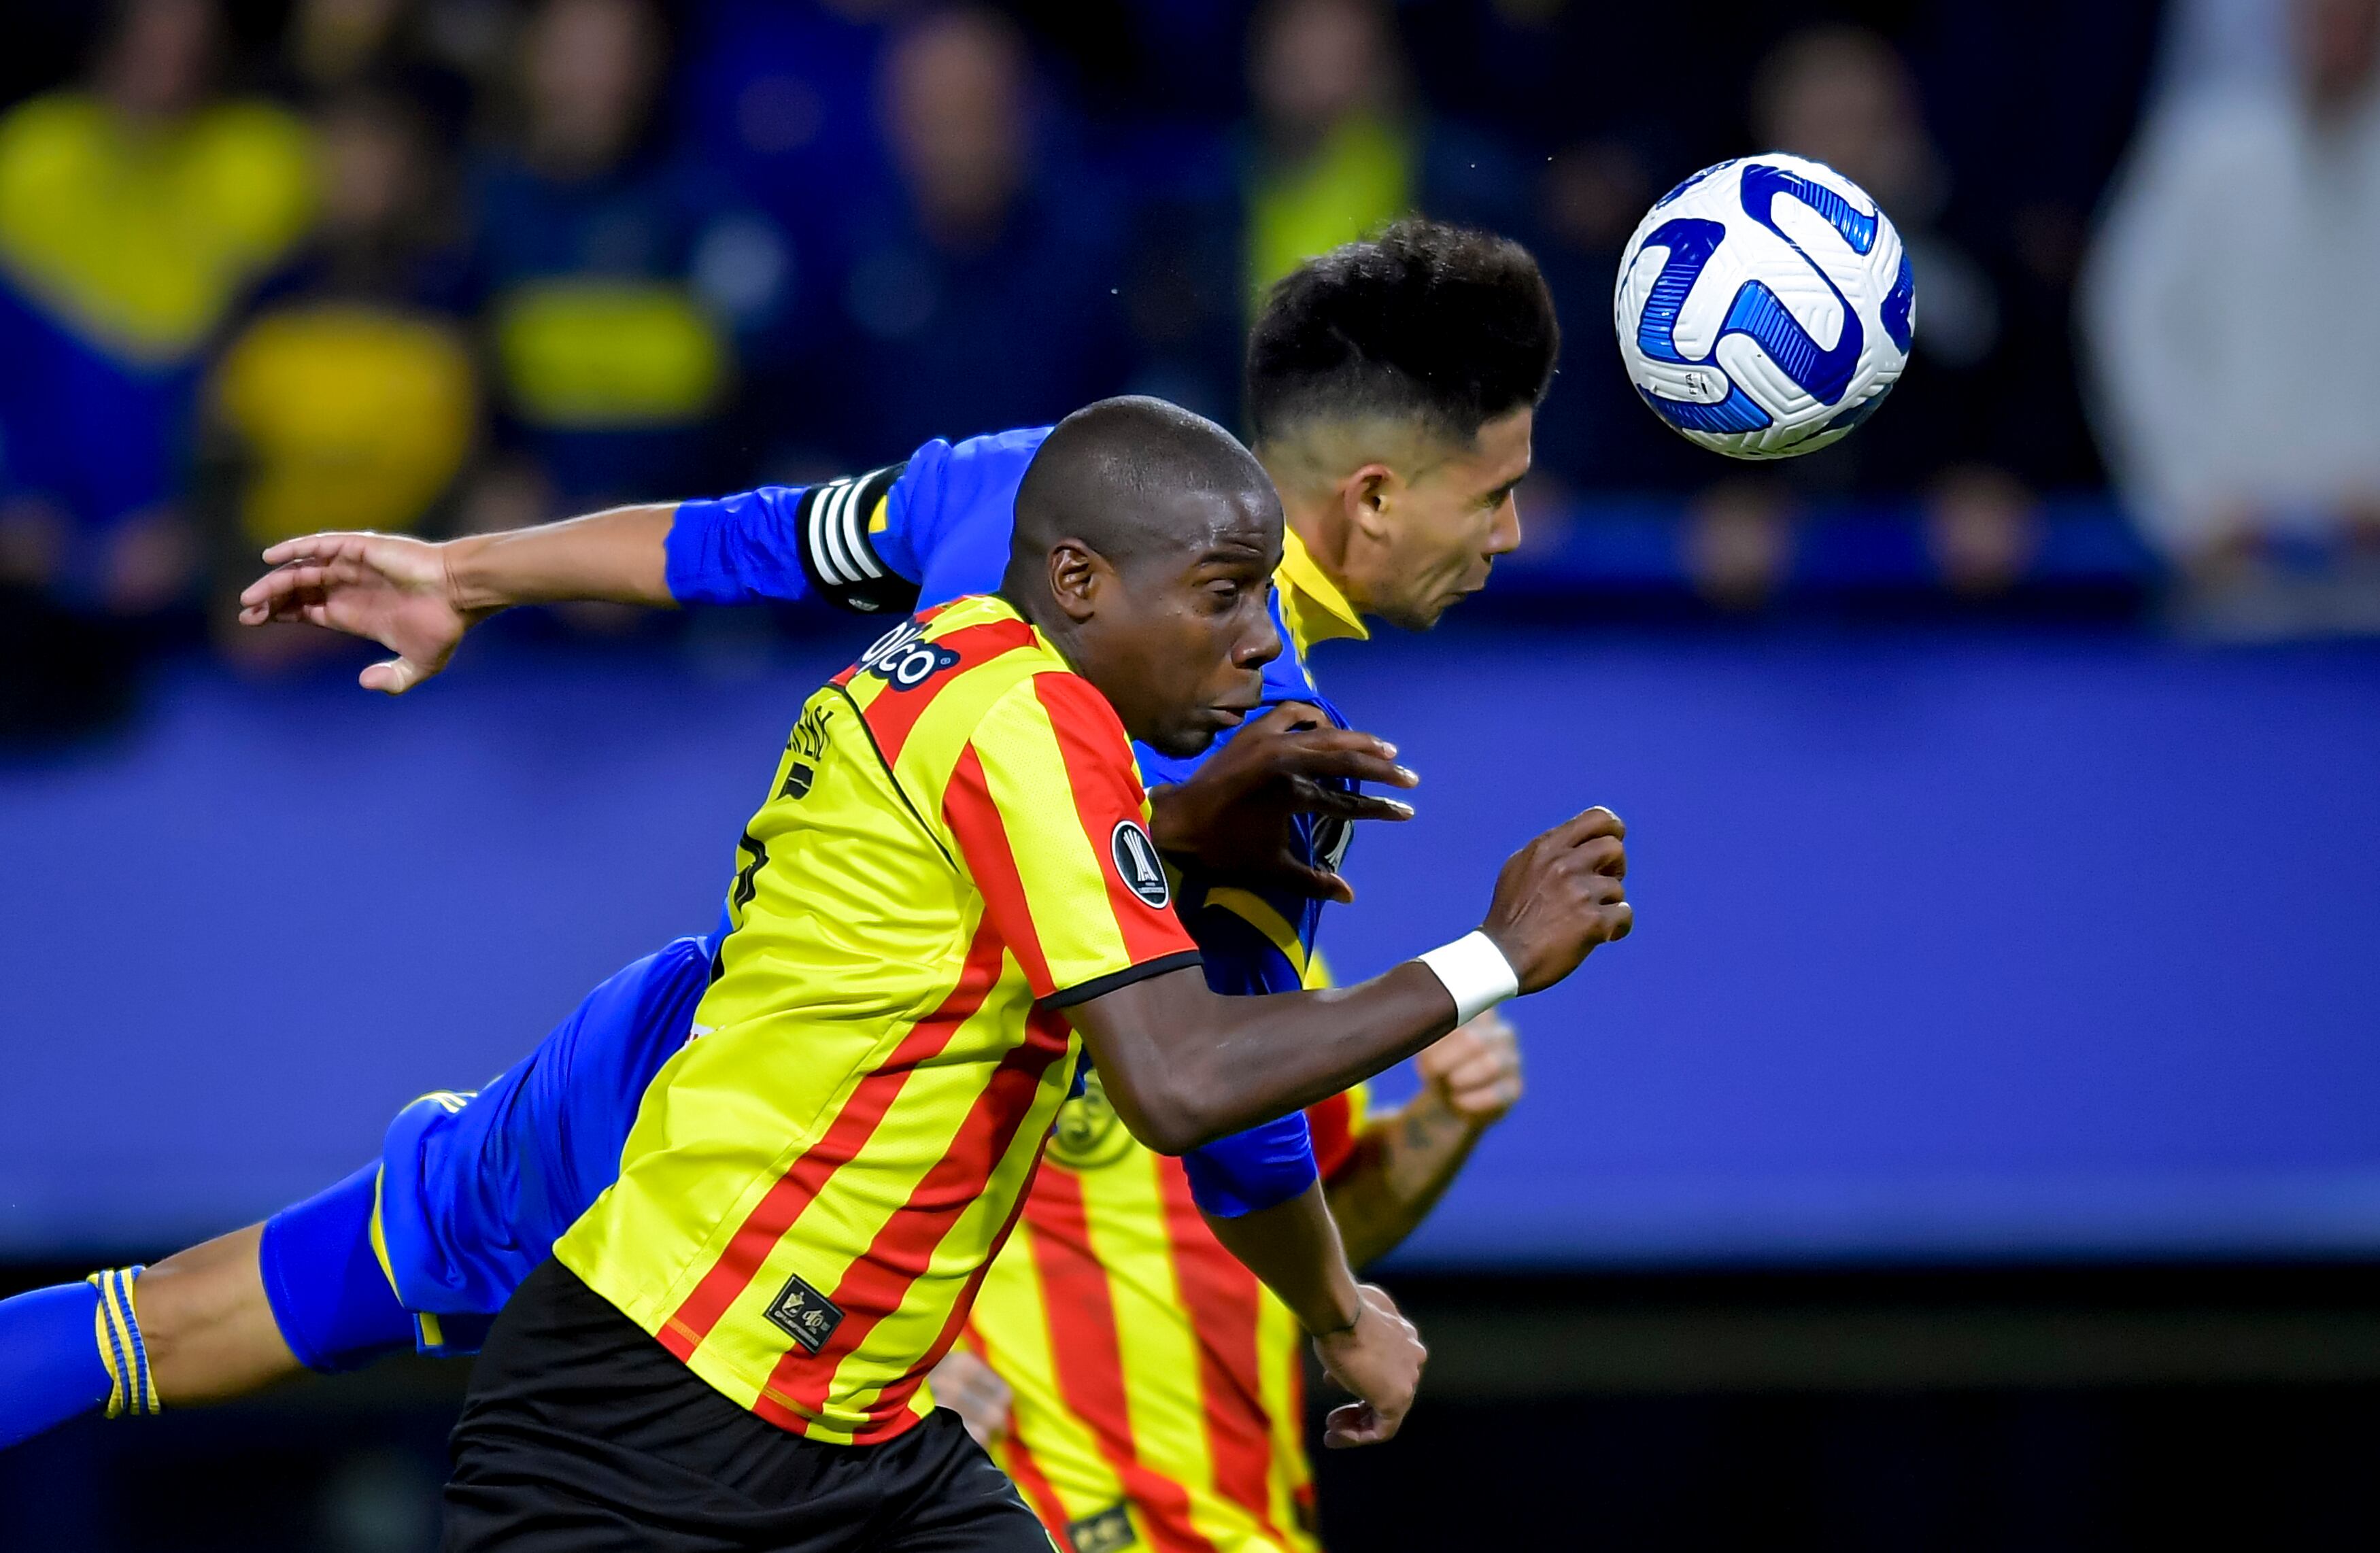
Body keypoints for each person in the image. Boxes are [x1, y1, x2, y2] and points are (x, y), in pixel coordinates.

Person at [1, 222, 1563, 1553]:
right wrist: (1345, 1300)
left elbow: (748, 541)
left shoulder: (1027, 481)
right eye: (1492, 491)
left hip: (674, 1052)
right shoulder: (1258, 714)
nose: (1511, 532)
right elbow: (1206, 1098)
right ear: (1369, 496)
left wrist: (466, 571)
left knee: (192, 1320)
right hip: (785, 1199)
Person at [441, 394, 1627, 1548]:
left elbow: (961, 866)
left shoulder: (967, 664)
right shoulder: (1036, 723)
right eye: (1223, 595)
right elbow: (1176, 1083)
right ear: (1079, 584)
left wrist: (1174, 827)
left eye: (1265, 591)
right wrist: (1495, 954)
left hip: (856, 1422)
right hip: (651, 1407)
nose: (1264, 638)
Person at [2082, 0, 2380, 634]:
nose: (2341, 30)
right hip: (2230, 566)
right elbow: (2131, 326)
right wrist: (2191, 500)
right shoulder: (2206, 146)